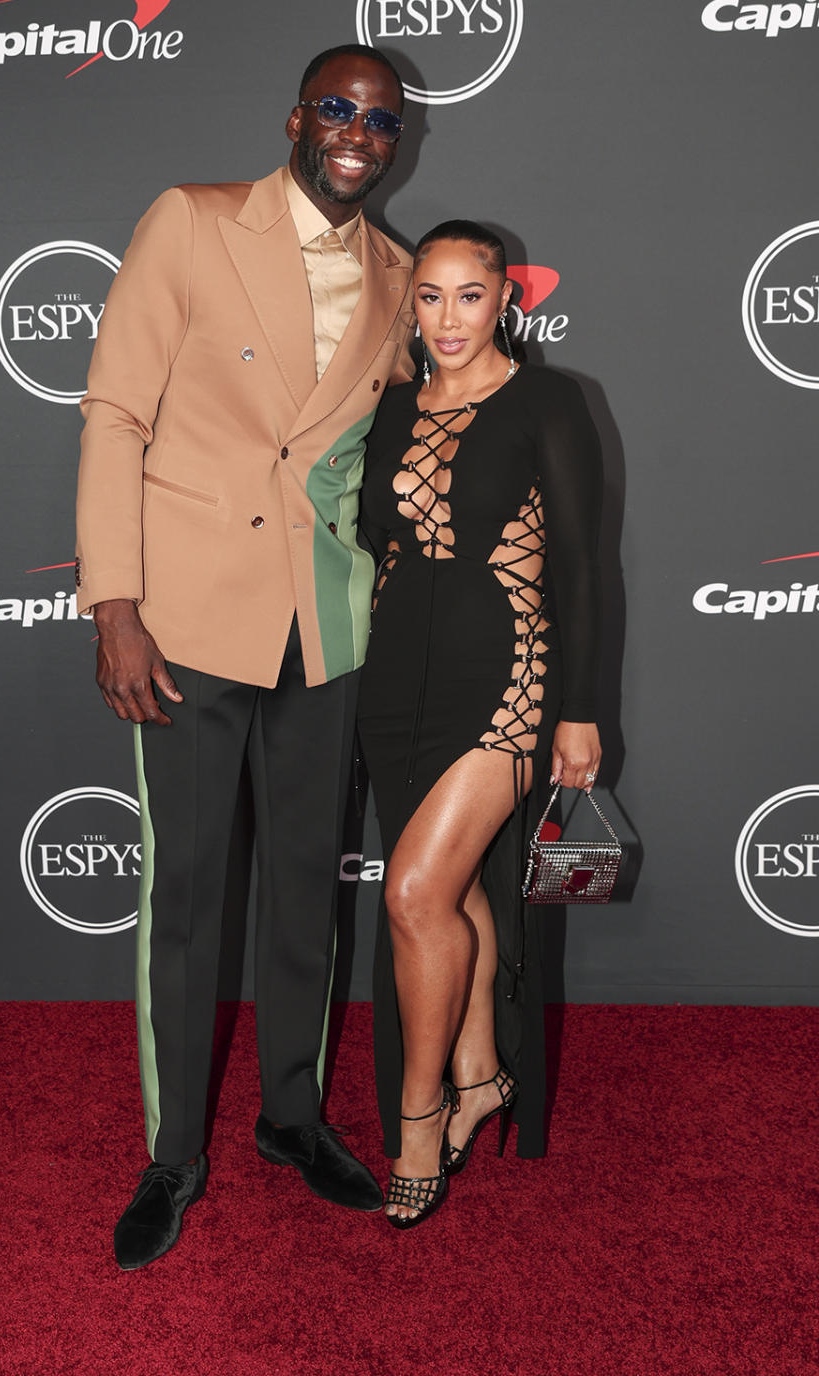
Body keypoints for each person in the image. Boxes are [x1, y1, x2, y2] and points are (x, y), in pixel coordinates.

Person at [75, 44, 415, 1268]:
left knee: (303, 898)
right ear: (295, 116)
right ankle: (173, 1158)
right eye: (337, 107)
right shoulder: (193, 221)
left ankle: (290, 1117)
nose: (356, 133)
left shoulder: (399, 276)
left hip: (326, 628)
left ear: (395, 143)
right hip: (189, 621)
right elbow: (116, 408)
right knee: (186, 897)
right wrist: (116, 602)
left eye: (379, 119)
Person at [357, 220, 603, 1226]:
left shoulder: (548, 399)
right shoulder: (390, 409)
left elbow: (585, 567)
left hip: (509, 673)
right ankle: (482, 1073)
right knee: (454, 894)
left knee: (415, 896)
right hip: (396, 677)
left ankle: (422, 1119)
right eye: (429, 296)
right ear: (409, 303)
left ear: (507, 299)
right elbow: (376, 547)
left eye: (469, 295)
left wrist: (579, 710)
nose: (447, 318)